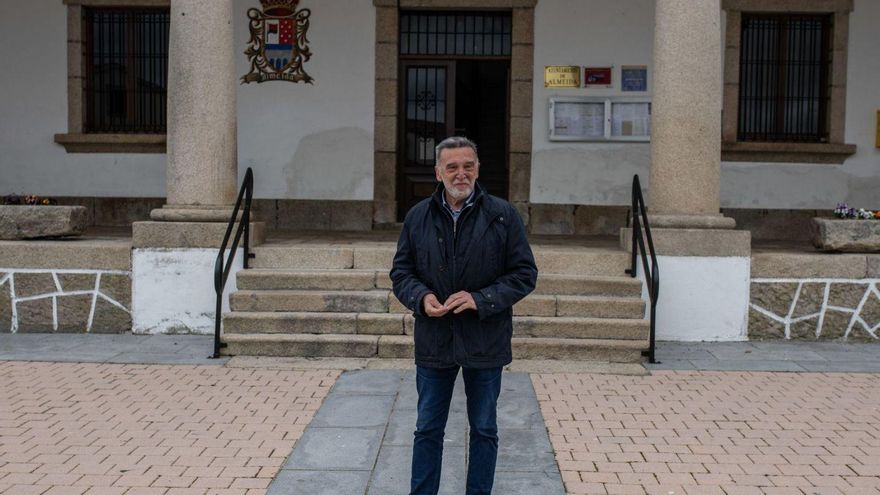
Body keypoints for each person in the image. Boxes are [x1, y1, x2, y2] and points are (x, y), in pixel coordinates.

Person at [390, 136, 538, 495]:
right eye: (452, 167)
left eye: (467, 166)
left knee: (484, 428)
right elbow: (401, 272)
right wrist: (421, 297)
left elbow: (524, 274)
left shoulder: (502, 215)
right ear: (438, 172)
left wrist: (480, 299)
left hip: (485, 339)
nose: (461, 174)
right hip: (435, 339)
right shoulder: (418, 216)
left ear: (477, 169)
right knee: (427, 428)